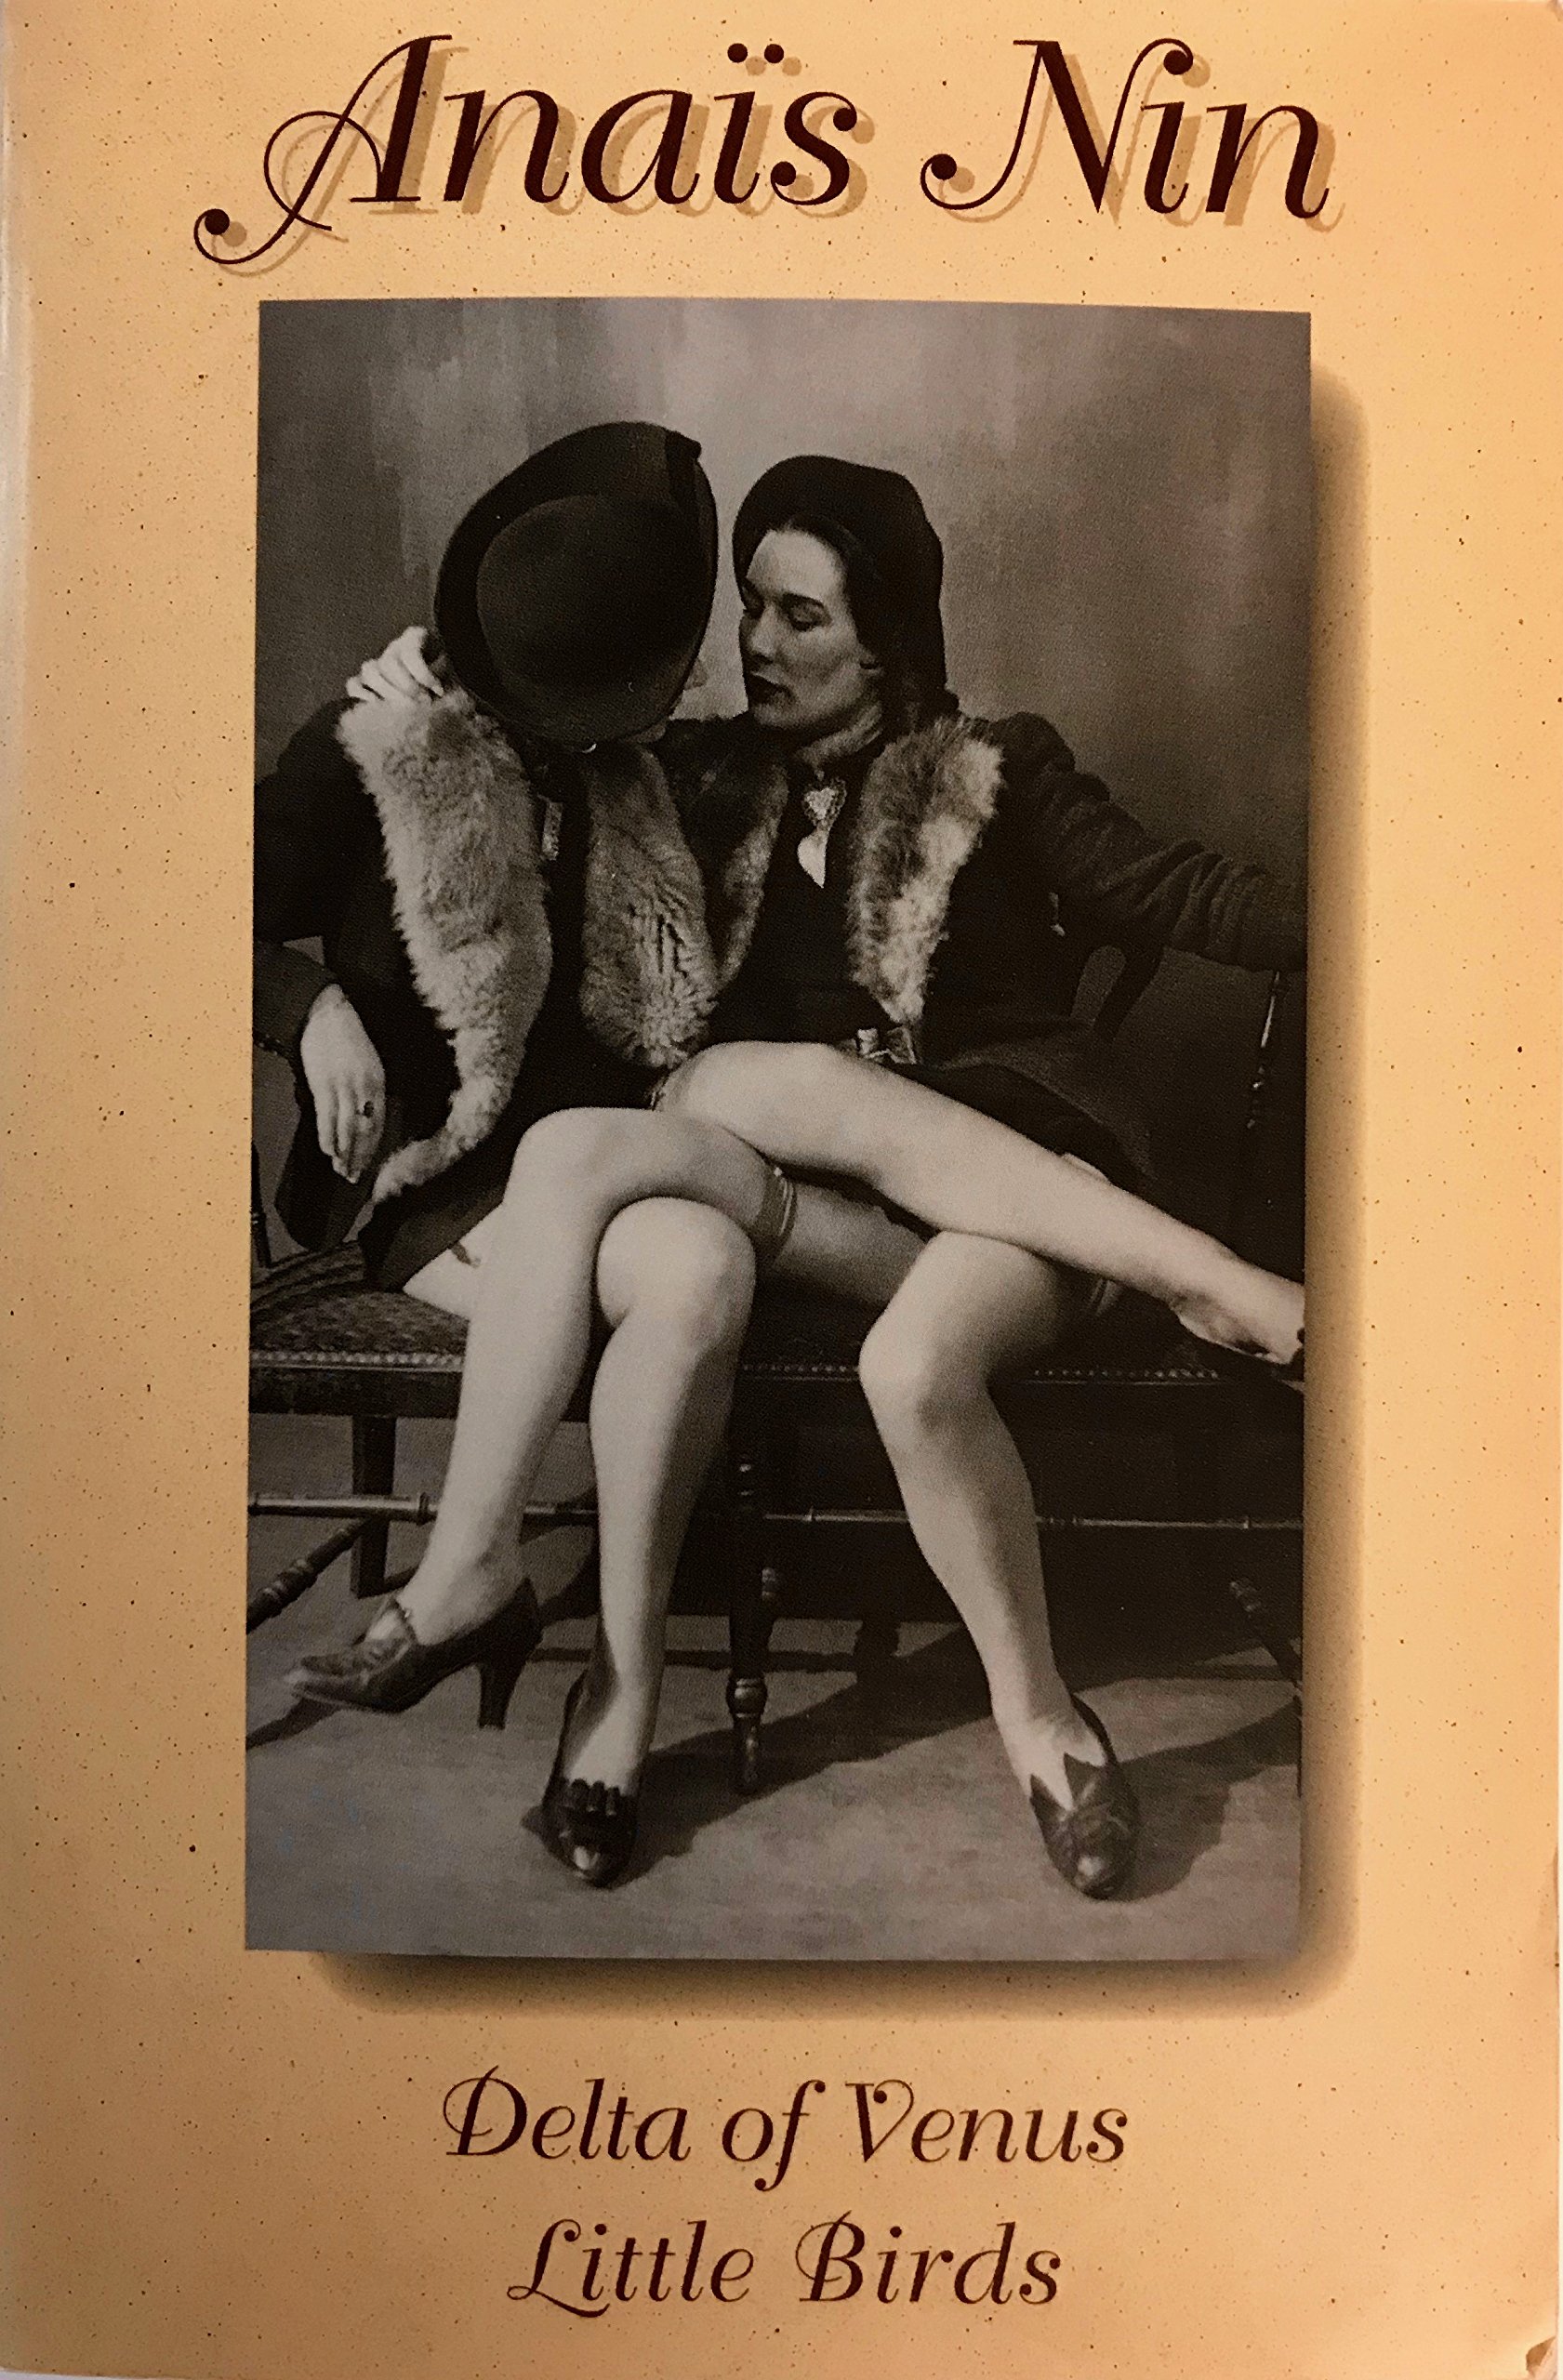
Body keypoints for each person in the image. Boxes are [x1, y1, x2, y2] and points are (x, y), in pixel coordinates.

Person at [293, 453, 1304, 1902]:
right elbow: (537, 741)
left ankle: (1040, 1720)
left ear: (882, 636)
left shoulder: (994, 764)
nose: (758, 642)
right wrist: (428, 692)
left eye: (801, 616)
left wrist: (1428, 912)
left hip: (1030, 1192)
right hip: (839, 1201)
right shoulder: (701, 783)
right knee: (644, 1120)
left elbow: (1181, 891)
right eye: (750, 609)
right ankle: (497, 1589)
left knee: (910, 1365)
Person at [255, 421, 780, 1764]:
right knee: (700, 1275)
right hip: (439, 1176)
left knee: (707, 1262)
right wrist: (309, 1009)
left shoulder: (639, 774)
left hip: (602, 1163)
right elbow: (168, 900)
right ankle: (523, 1619)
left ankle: (588, 1665)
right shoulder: (372, 749)